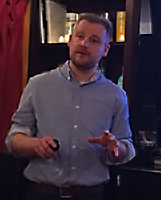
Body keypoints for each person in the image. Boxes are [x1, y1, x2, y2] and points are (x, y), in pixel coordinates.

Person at [5, 12, 135, 200]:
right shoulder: (37, 85)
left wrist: (115, 148)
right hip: (41, 193)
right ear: (70, 40)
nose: (84, 44)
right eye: (80, 37)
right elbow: (13, 139)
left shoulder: (116, 95)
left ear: (105, 50)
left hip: (91, 194)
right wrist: (34, 145)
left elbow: (126, 147)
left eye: (94, 40)